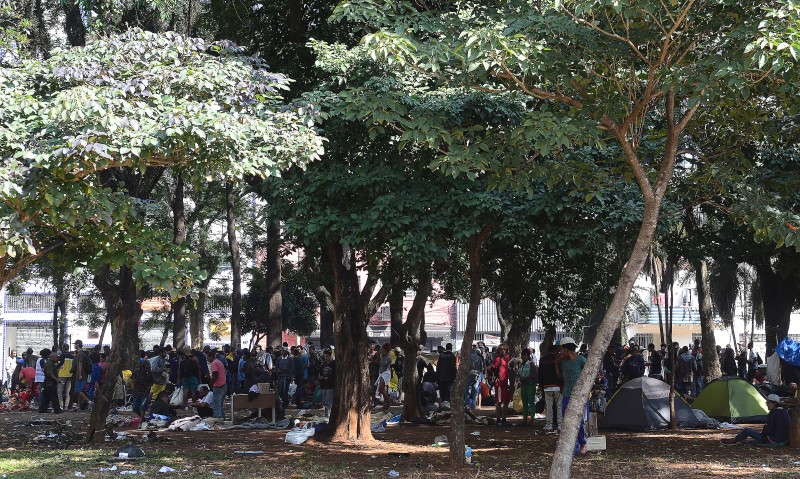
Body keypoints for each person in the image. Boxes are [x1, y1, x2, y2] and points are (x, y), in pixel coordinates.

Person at [721, 394, 790, 446]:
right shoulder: (784, 411)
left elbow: (767, 430)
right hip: (783, 439)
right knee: (753, 441)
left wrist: (763, 434)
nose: (767, 405)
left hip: (773, 440)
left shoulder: (773, 413)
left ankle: (733, 441)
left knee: (747, 430)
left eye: (768, 403)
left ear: (774, 403)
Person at [559, 337, 588, 455]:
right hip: (566, 395)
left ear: (566, 348)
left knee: (579, 421)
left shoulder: (581, 360)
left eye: (562, 349)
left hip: (578, 396)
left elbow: (588, 375)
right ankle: (573, 447)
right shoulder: (564, 362)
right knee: (567, 421)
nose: (561, 351)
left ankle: (582, 442)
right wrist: (557, 364)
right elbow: (560, 376)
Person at [539, 344, 562, 431]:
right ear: (555, 350)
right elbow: (561, 372)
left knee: (549, 406)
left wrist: (541, 385)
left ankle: (549, 424)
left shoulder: (543, 359)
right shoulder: (558, 359)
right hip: (557, 386)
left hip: (547, 386)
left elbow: (540, 373)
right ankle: (560, 424)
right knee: (559, 406)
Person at [491, 344, 511, 425]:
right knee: (499, 401)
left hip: (506, 383)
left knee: (506, 401)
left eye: (504, 350)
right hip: (499, 383)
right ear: (498, 351)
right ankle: (498, 419)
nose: (503, 351)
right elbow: (490, 368)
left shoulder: (507, 359)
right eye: (501, 349)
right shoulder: (497, 359)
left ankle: (503, 418)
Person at [518, 348, 538, 426]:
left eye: (524, 355)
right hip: (523, 385)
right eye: (522, 355)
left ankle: (532, 419)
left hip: (530, 385)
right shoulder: (521, 365)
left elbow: (535, 374)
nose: (522, 357)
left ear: (527, 356)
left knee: (531, 402)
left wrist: (526, 378)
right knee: (524, 402)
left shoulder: (530, 364)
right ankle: (524, 419)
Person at [131, 351, 153, 420]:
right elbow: (132, 380)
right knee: (135, 408)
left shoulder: (150, 374)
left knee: (143, 407)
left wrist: (149, 388)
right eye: (146, 367)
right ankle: (141, 417)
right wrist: (134, 381)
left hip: (144, 392)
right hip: (136, 392)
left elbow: (152, 382)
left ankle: (142, 419)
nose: (147, 369)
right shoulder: (136, 372)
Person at [207, 350, 226, 419]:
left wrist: (211, 383)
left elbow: (215, 374)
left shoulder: (214, 363)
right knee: (220, 403)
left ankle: (218, 417)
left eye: (208, 357)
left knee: (216, 403)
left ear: (212, 357)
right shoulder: (219, 362)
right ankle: (222, 417)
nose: (207, 359)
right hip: (223, 384)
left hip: (218, 385)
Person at [318, 349, 335, 417]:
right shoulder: (323, 364)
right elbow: (320, 373)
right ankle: (326, 415)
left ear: (331, 356)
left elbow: (335, 375)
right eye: (324, 356)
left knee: (328, 402)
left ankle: (329, 416)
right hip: (324, 385)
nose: (325, 358)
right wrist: (320, 377)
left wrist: (328, 378)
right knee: (324, 401)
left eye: (327, 356)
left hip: (331, 386)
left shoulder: (334, 364)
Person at [377, 343, 392, 409]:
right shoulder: (384, 356)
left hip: (386, 374)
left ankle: (388, 401)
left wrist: (381, 357)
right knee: (384, 389)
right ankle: (386, 404)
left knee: (381, 389)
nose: (382, 350)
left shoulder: (388, 357)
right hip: (382, 373)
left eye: (383, 349)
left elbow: (382, 364)